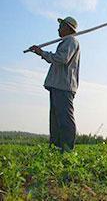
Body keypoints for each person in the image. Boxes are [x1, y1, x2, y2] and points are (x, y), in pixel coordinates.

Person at [30, 16, 80, 152]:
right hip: (57, 86)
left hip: (64, 86)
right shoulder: (65, 42)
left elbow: (62, 59)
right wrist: (40, 53)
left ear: (68, 28)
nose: (58, 29)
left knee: (65, 119)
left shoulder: (71, 41)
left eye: (61, 26)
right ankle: (56, 148)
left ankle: (67, 149)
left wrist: (42, 52)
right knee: (55, 120)